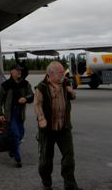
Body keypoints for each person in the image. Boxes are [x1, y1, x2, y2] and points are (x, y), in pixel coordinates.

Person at [34, 61, 83, 190]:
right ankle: (46, 183)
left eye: (63, 72)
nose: (63, 74)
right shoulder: (42, 87)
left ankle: (70, 185)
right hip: (47, 129)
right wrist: (41, 118)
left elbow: (72, 97)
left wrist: (72, 92)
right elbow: (37, 104)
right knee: (46, 160)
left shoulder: (65, 83)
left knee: (69, 157)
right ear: (51, 73)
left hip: (64, 127)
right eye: (60, 72)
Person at [0, 63, 34, 168]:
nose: (19, 72)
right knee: (16, 135)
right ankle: (17, 160)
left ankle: (12, 149)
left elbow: (31, 95)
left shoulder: (25, 84)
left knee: (21, 134)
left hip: (20, 115)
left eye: (20, 70)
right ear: (11, 71)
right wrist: (0, 113)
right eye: (17, 70)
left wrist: (26, 98)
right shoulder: (5, 85)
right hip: (10, 115)